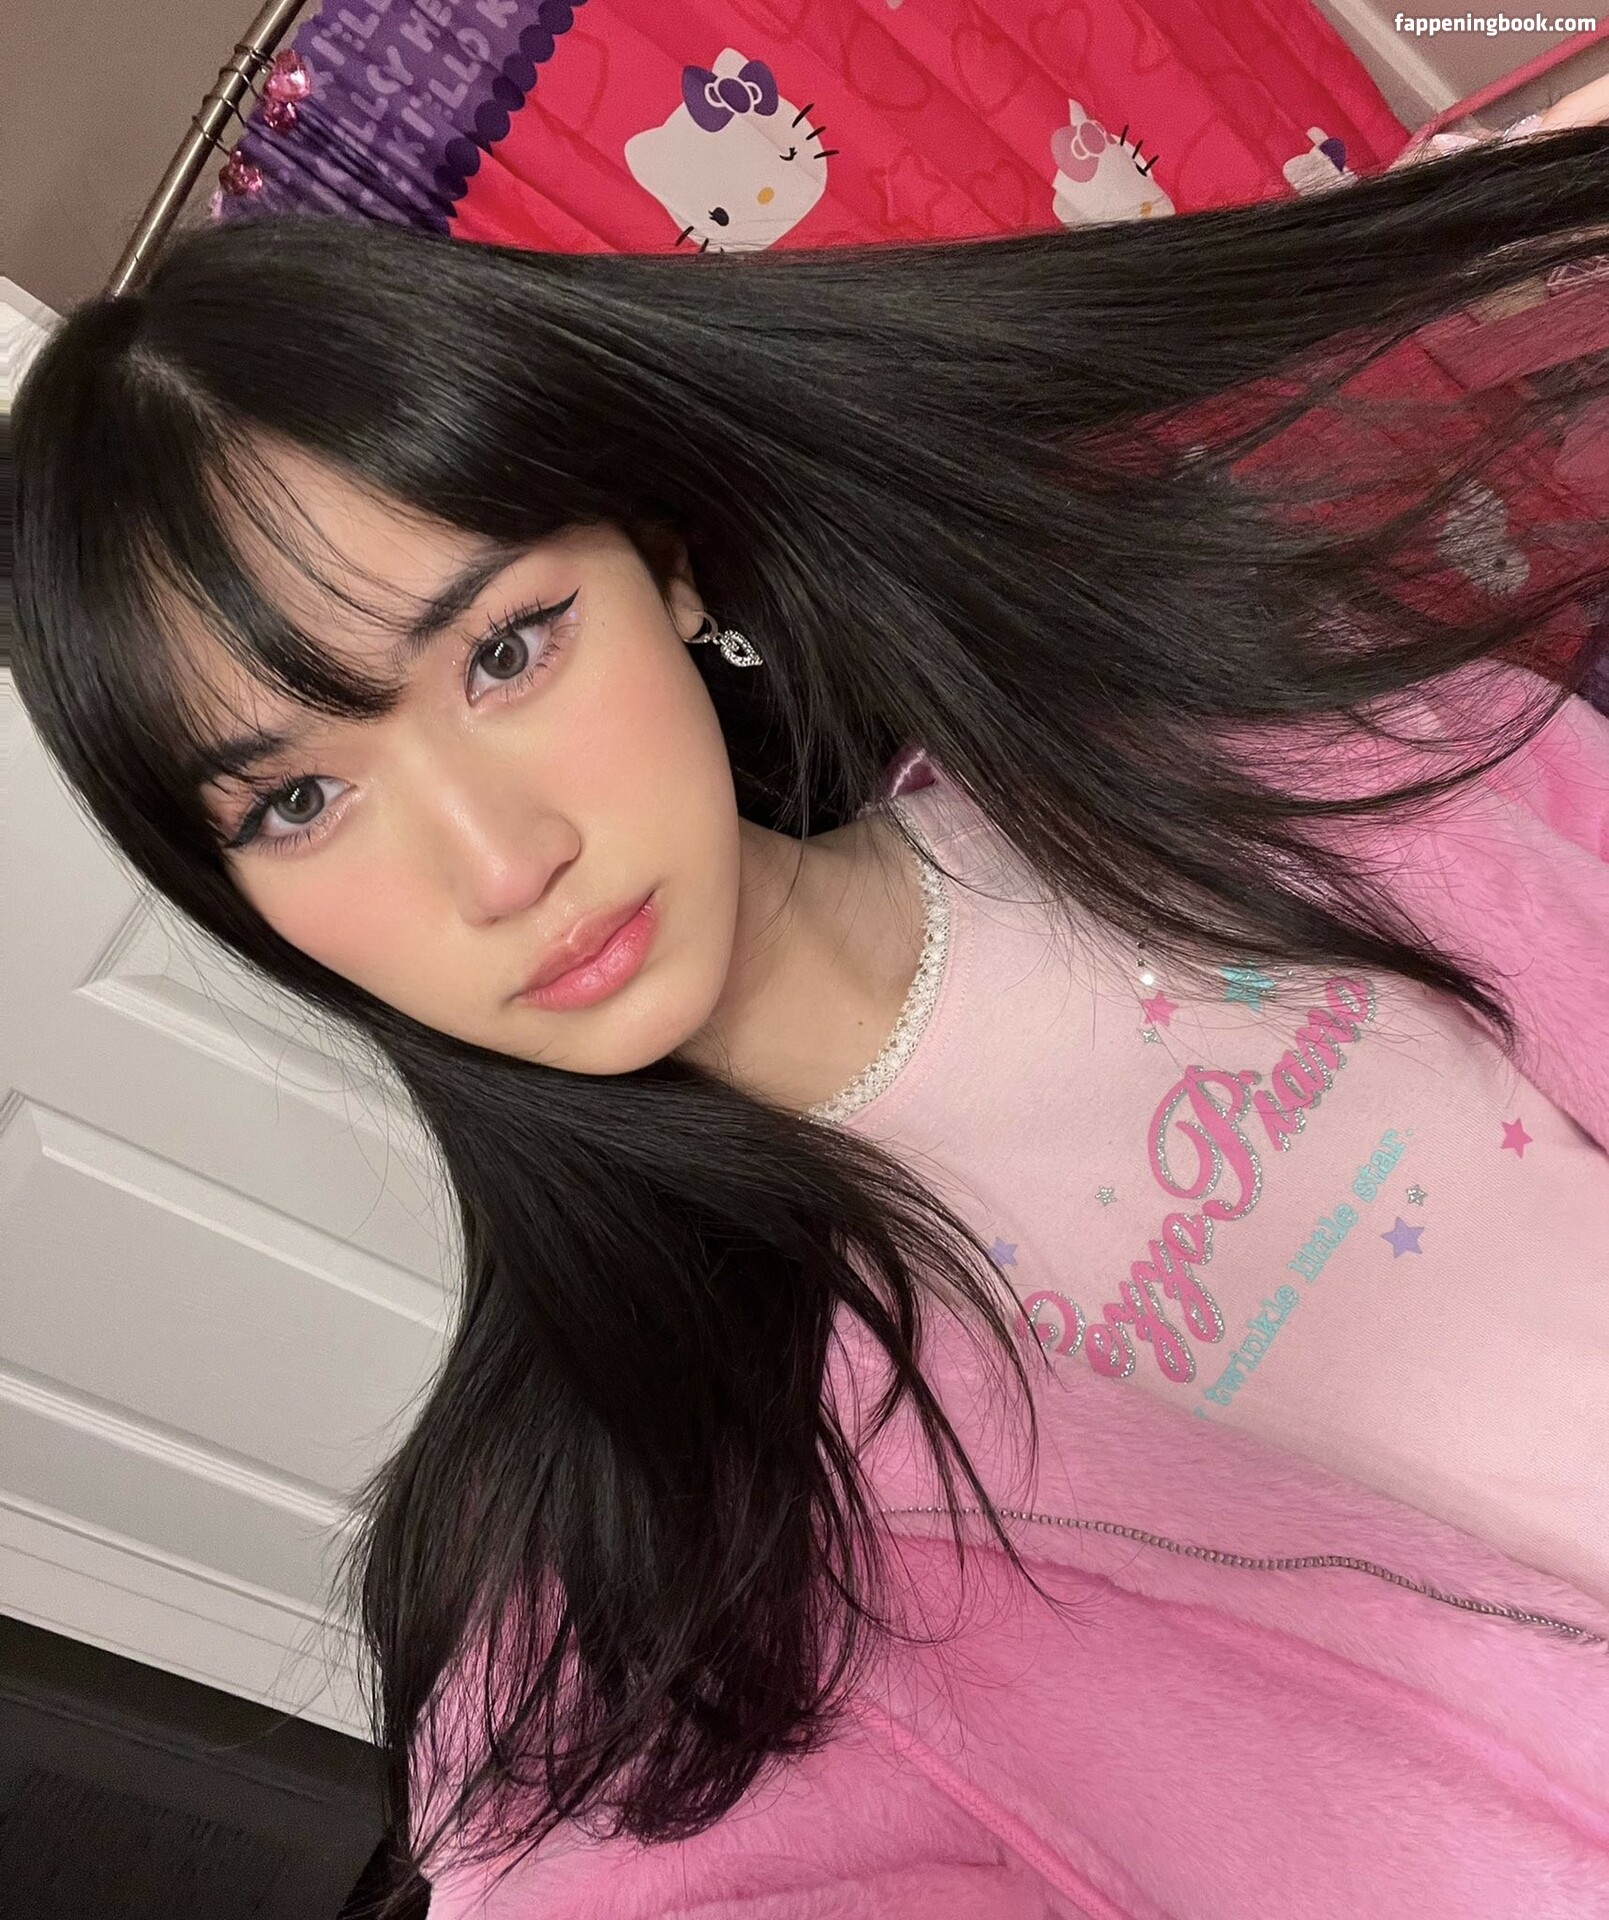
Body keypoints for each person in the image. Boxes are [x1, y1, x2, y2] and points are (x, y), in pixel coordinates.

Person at [8, 98, 1609, 1918]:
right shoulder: (635, 1575)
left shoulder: (1224, 760)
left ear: (665, 568)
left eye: (507, 648)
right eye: (298, 800)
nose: (502, 861)